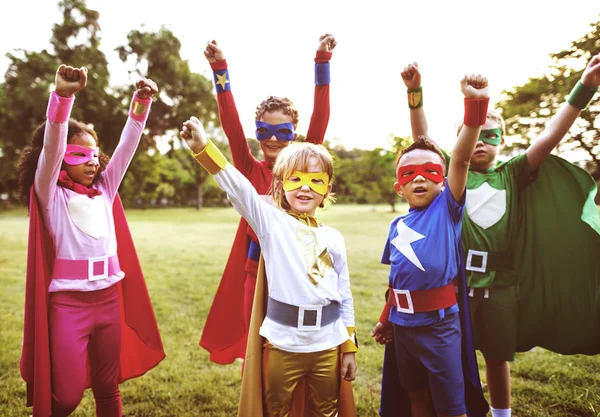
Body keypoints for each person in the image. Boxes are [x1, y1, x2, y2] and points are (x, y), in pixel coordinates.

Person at [398, 55, 600, 417]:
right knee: (452, 353)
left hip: (501, 284)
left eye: (490, 136)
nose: (479, 143)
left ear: (502, 139)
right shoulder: (453, 175)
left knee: (496, 356)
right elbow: (422, 142)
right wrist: (415, 93)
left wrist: (584, 86)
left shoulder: (514, 172)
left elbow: (551, 135)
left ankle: (501, 413)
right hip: (457, 282)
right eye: (472, 134)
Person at [181, 116, 357, 416]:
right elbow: (239, 188)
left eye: (315, 181)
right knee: (275, 410)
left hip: (327, 344)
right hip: (282, 344)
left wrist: (349, 346)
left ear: (327, 189)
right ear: (281, 183)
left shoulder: (334, 238)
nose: (305, 189)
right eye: (295, 179)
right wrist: (203, 148)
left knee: (327, 410)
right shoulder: (271, 224)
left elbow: (345, 294)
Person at [17, 64, 165, 417]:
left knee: (107, 387)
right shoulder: (50, 194)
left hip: (109, 300)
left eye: (95, 155)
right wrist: (63, 98)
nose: (92, 162)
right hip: (69, 305)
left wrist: (141, 103)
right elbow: (53, 145)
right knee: (66, 397)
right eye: (79, 154)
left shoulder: (105, 190)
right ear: (60, 161)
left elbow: (127, 146)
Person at [199, 34, 337, 365]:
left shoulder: (304, 162)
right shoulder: (247, 167)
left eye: (283, 132)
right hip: (254, 265)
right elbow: (230, 126)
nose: (273, 139)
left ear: (296, 133)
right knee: (255, 343)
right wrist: (220, 68)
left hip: (298, 265)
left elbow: (321, 115)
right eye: (264, 131)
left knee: (295, 341)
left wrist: (323, 61)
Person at [372, 74, 490, 417]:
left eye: (429, 172)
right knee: (416, 398)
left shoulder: (447, 210)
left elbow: (462, 158)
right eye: (409, 174)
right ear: (398, 188)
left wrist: (474, 105)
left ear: (443, 182)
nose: (419, 177)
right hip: (404, 327)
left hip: (440, 328)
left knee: (451, 405)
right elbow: (396, 279)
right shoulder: (397, 225)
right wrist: (386, 318)